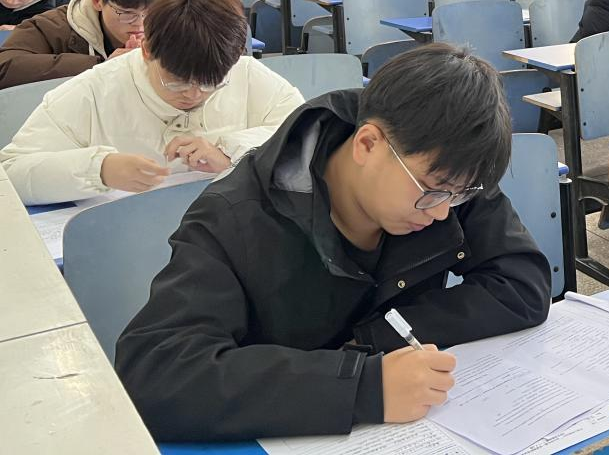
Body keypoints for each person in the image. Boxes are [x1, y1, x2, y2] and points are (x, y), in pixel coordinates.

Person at [115, 44, 551, 442]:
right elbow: (156, 372)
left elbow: (522, 283)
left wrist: (373, 340)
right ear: (367, 144)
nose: (442, 213)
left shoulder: (446, 175)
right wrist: (364, 385)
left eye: (458, 197)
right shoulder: (235, 217)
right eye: (434, 192)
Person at [0, 0, 303, 205]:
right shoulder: (93, 90)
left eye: (211, 84)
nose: (194, 95)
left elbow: (307, 133)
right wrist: (98, 169)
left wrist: (231, 153)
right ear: (146, 51)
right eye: (177, 82)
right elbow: (11, 173)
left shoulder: (246, 73)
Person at [0, 0, 173, 89]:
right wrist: (101, 65)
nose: (140, 23)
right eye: (126, 13)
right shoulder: (52, 25)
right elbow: (5, 66)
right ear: (97, 1)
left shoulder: (175, 22)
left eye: (151, 13)